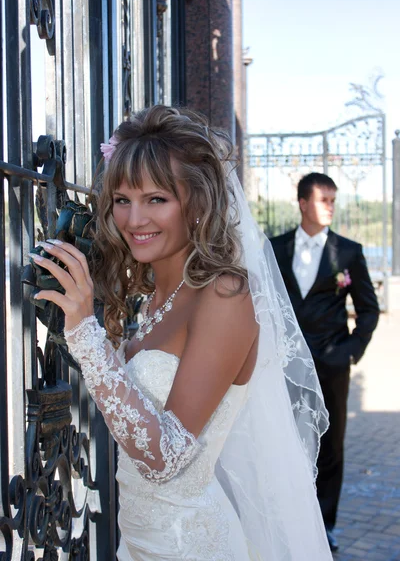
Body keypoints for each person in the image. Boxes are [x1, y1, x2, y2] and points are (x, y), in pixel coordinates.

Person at [30, 106, 333, 560]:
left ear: (195, 203)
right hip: (140, 541)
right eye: (122, 200)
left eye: (156, 199)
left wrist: (84, 332)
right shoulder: (153, 299)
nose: (134, 220)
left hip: (190, 546)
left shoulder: (226, 295)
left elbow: (164, 457)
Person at [270, 172, 380, 552]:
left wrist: (348, 352)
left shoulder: (348, 253)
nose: (331, 207)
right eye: (324, 200)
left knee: (330, 444)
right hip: (283, 367)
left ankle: (324, 522)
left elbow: (368, 309)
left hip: (332, 363)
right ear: (303, 203)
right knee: (284, 439)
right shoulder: (274, 248)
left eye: (334, 201)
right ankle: (287, 517)